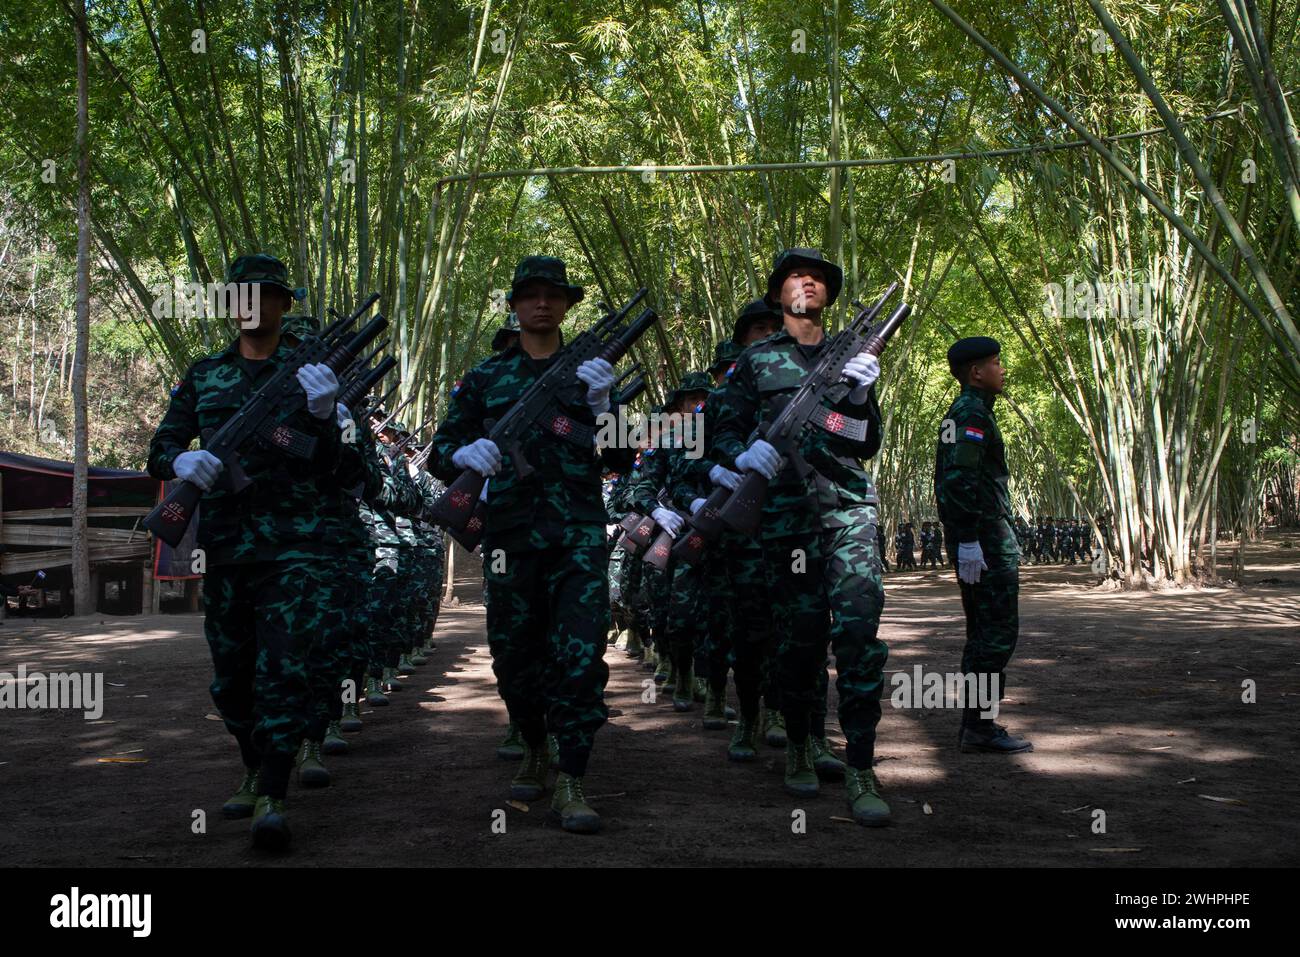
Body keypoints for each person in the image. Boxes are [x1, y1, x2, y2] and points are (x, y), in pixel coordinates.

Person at [146, 253, 347, 850]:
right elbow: (162, 445)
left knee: (283, 670)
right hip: (228, 548)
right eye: (240, 295)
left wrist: (327, 416)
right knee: (231, 679)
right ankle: (253, 764)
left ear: (285, 305)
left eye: (265, 295)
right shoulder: (205, 373)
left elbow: (344, 469)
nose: (251, 305)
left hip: (296, 548)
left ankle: (273, 795)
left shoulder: (315, 375)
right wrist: (181, 460)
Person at [428, 255, 634, 833]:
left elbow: (621, 458)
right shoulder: (488, 377)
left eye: (553, 294)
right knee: (515, 657)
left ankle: (572, 774)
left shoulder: (589, 373)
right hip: (511, 539)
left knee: (578, 656)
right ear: (514, 306)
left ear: (567, 304)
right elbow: (442, 452)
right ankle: (535, 745)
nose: (541, 302)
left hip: (577, 537)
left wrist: (604, 406)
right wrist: (466, 456)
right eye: (530, 294)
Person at [711, 247, 892, 826]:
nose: (806, 281)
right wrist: (741, 455)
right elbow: (718, 432)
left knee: (860, 634)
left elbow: (861, 442)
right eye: (795, 275)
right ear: (778, 292)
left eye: (817, 277)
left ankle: (861, 764)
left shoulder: (850, 357)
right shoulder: (755, 361)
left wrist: (860, 397)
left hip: (848, 510)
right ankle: (799, 743)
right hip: (785, 518)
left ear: (828, 295)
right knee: (800, 637)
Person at [933, 336, 1033, 755]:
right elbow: (959, 481)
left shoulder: (968, 412)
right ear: (976, 372)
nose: (1002, 370)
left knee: (984, 633)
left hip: (982, 539)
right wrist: (971, 539)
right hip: (986, 542)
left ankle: (979, 723)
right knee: (994, 634)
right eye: (996, 363)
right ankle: (979, 726)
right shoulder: (972, 413)